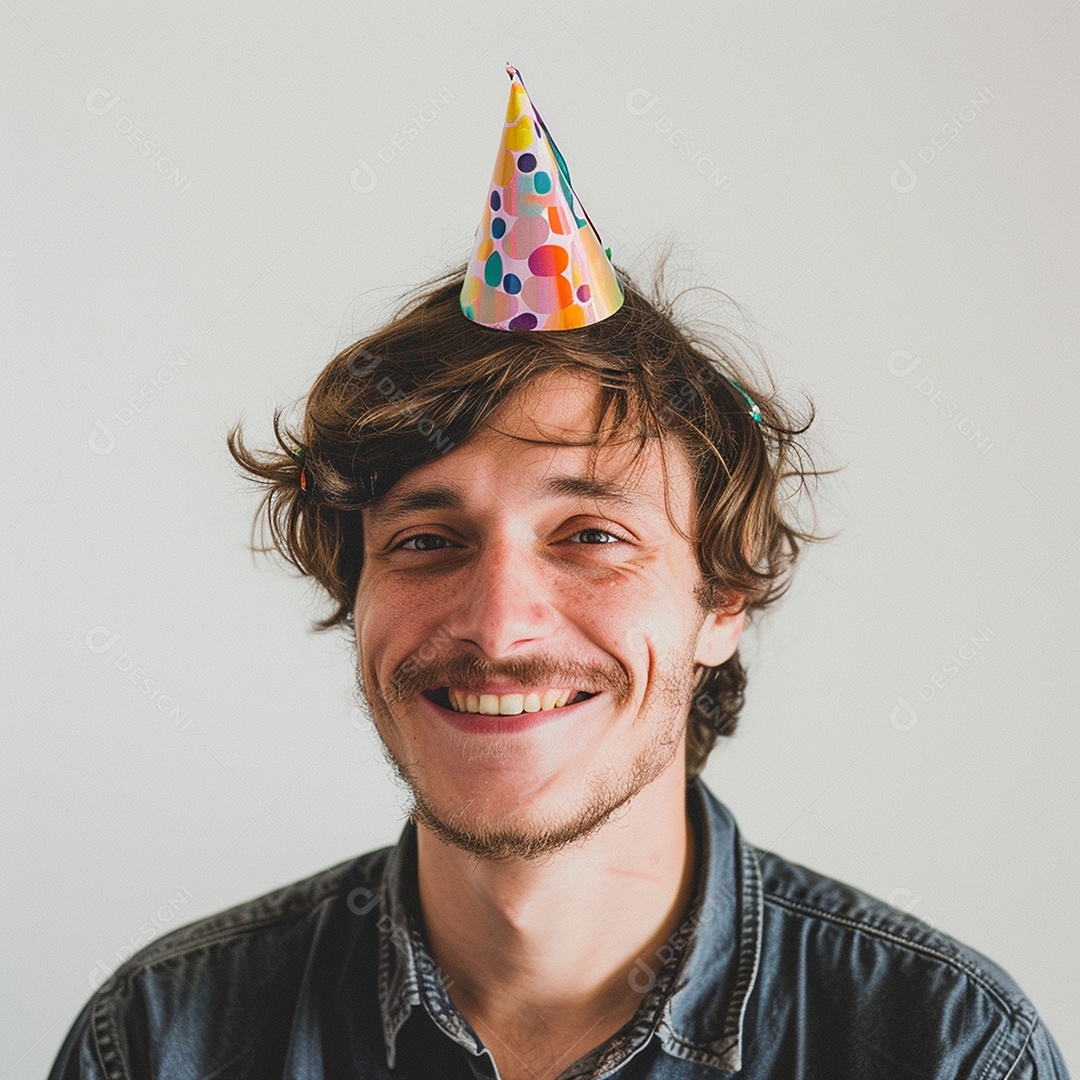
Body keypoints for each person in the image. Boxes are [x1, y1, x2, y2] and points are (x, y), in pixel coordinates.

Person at [48, 66, 1070, 1080]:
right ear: (354, 594)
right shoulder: (153, 1043)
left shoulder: (950, 1048)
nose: (500, 628)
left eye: (590, 536)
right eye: (427, 541)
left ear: (724, 597)